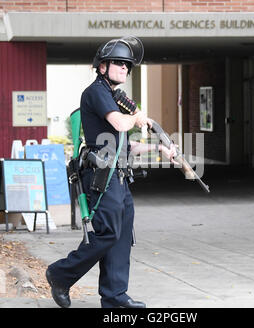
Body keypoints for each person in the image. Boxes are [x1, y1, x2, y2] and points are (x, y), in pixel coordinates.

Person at [45, 36, 177, 308]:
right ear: (102, 66)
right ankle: (59, 274)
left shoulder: (114, 96)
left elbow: (126, 145)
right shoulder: (97, 92)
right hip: (101, 178)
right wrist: (139, 118)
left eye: (127, 65)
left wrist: (159, 148)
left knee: (121, 236)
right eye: (118, 63)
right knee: (107, 233)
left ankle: (115, 297)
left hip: (119, 177)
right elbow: (119, 123)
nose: (124, 68)